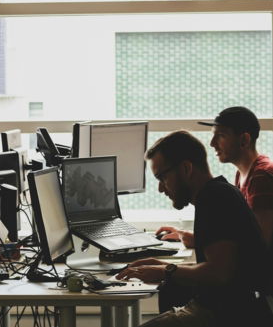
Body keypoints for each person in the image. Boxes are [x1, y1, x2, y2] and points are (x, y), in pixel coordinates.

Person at [116, 130, 270, 327]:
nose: (161, 189)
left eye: (162, 177)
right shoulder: (219, 192)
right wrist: (159, 265)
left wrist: (166, 270)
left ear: (186, 168)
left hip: (226, 315)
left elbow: (219, 273)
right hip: (223, 308)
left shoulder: (215, 199)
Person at [157, 107, 273, 249]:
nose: (212, 143)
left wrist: (200, 241)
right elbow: (243, 232)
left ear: (244, 139)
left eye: (221, 135)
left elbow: (261, 244)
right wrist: (195, 236)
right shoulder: (243, 173)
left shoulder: (261, 177)